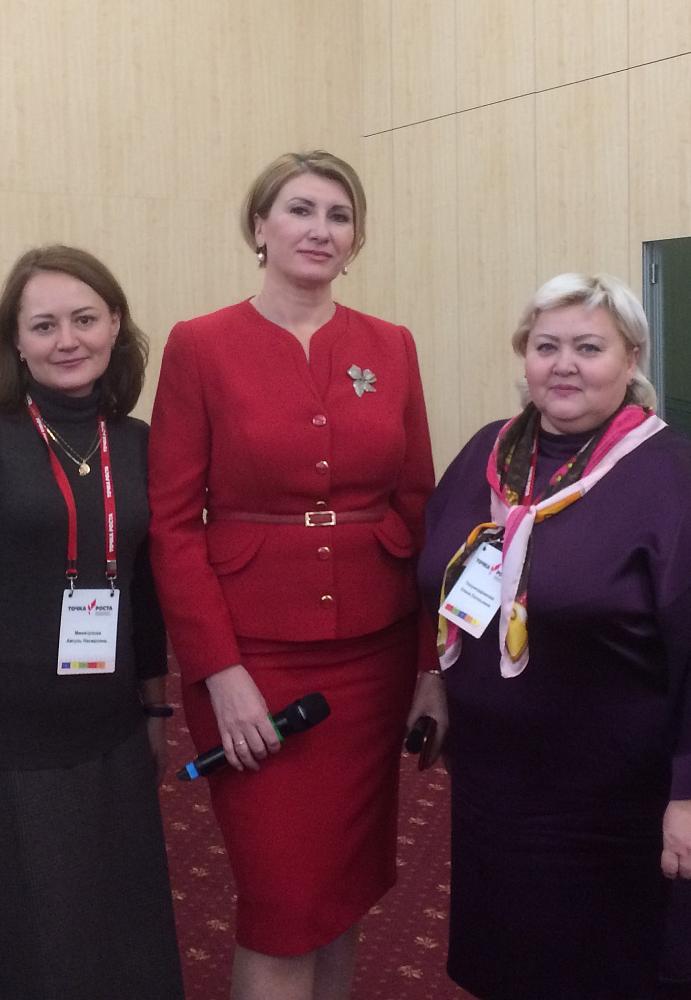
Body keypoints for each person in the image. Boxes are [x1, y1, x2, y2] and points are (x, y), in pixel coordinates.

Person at [148, 150, 448, 1000]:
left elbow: (418, 508)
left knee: (343, 891)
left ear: (355, 240)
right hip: (252, 658)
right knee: (282, 901)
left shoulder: (390, 346)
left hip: (374, 656)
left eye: (338, 216)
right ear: (259, 227)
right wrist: (219, 672)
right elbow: (173, 526)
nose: (320, 230)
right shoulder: (200, 345)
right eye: (300, 210)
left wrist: (430, 667)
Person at [418, 272, 691, 1000]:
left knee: (605, 970)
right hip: (495, 783)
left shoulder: (674, 476)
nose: (564, 365)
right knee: (514, 958)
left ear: (631, 358)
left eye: (589, 347)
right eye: (546, 346)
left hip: (615, 795)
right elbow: (442, 584)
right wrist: (436, 681)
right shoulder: (487, 455)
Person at [0, 245, 185, 1000]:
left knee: (115, 936)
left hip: (109, 732)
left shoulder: (136, 443)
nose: (66, 340)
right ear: (16, 340)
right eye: (43, 326)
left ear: (115, 325)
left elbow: (144, 590)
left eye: (84, 319)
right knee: (26, 946)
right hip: (6, 743)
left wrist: (154, 711)